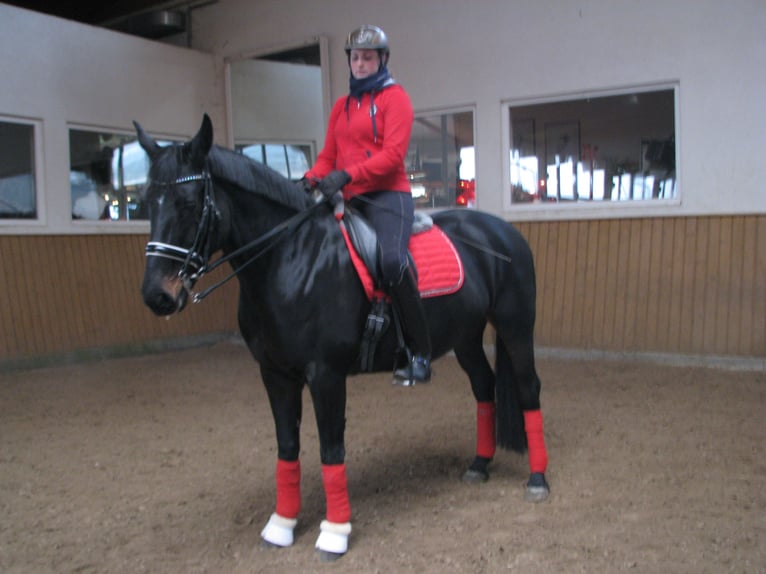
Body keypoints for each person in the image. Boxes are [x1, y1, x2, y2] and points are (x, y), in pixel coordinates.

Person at [303, 24, 431, 385]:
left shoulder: (396, 99)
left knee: (392, 261)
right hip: (351, 198)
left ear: (382, 59)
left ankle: (419, 352)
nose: (360, 64)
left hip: (389, 196)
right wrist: (310, 178)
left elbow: (392, 156)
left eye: (367, 57)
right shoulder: (341, 107)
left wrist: (347, 175)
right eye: (355, 58)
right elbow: (328, 156)